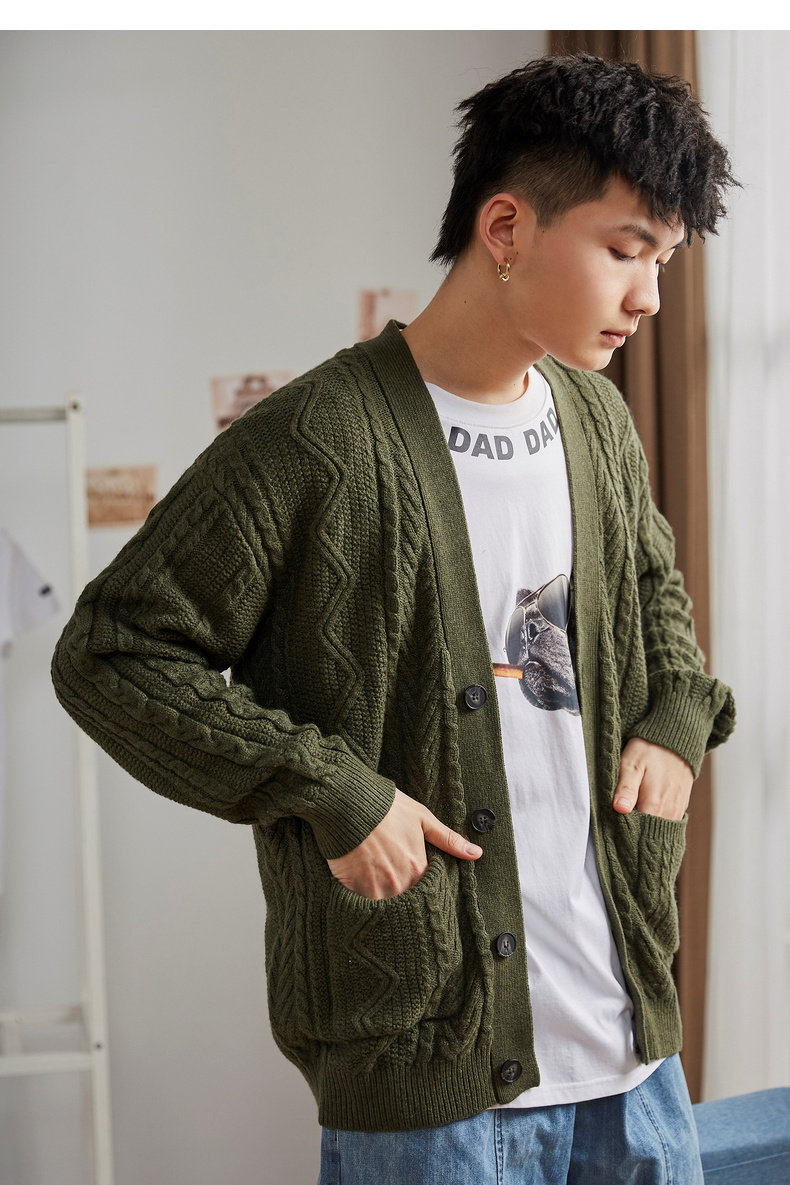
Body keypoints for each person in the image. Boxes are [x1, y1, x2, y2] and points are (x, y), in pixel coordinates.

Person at [52, 52, 737, 1184]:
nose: (649, 297)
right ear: (505, 228)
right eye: (626, 251)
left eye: (663, 261)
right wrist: (331, 791)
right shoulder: (312, 440)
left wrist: (674, 719)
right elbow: (110, 654)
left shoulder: (598, 421)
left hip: (629, 1052)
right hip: (427, 1085)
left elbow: (652, 594)